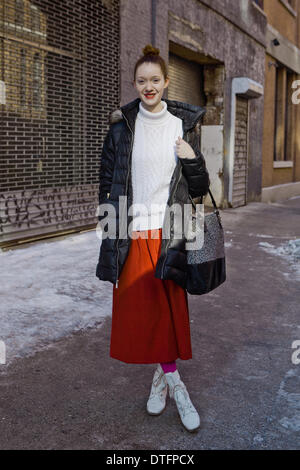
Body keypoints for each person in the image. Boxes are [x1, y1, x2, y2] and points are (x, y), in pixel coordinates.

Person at [96, 44, 210, 432]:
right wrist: (110, 235)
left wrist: (191, 157)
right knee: (140, 315)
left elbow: (200, 187)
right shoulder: (121, 129)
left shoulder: (183, 127)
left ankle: (165, 381)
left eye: (155, 80)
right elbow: (106, 183)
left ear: (165, 82)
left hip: (170, 232)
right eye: (142, 81)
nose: (149, 86)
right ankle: (176, 385)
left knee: (168, 315)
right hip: (131, 233)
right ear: (134, 83)